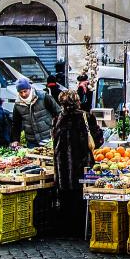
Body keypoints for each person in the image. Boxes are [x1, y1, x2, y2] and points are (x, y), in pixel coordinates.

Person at [52, 91, 103, 236]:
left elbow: (54, 140)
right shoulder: (86, 117)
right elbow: (98, 139)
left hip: (62, 167)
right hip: (83, 165)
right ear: (78, 101)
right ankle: (81, 228)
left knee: (65, 197)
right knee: (82, 196)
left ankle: (67, 228)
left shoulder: (57, 118)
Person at [10, 78, 60, 147]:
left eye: (25, 91)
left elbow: (58, 112)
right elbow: (16, 124)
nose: (23, 94)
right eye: (20, 92)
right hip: (31, 141)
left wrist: (57, 130)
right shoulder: (17, 104)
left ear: (29, 89)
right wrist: (15, 140)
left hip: (48, 138)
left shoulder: (43, 96)